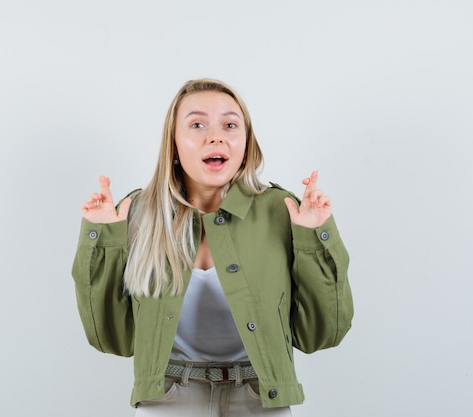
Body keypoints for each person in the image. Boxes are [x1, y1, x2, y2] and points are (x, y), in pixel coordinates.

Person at [72, 78, 353, 416]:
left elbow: (320, 335)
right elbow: (112, 339)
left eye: (230, 124)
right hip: (167, 396)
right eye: (197, 124)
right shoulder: (138, 213)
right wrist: (101, 237)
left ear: (245, 143)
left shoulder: (284, 211)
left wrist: (317, 236)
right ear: (173, 143)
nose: (216, 136)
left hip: (261, 396)